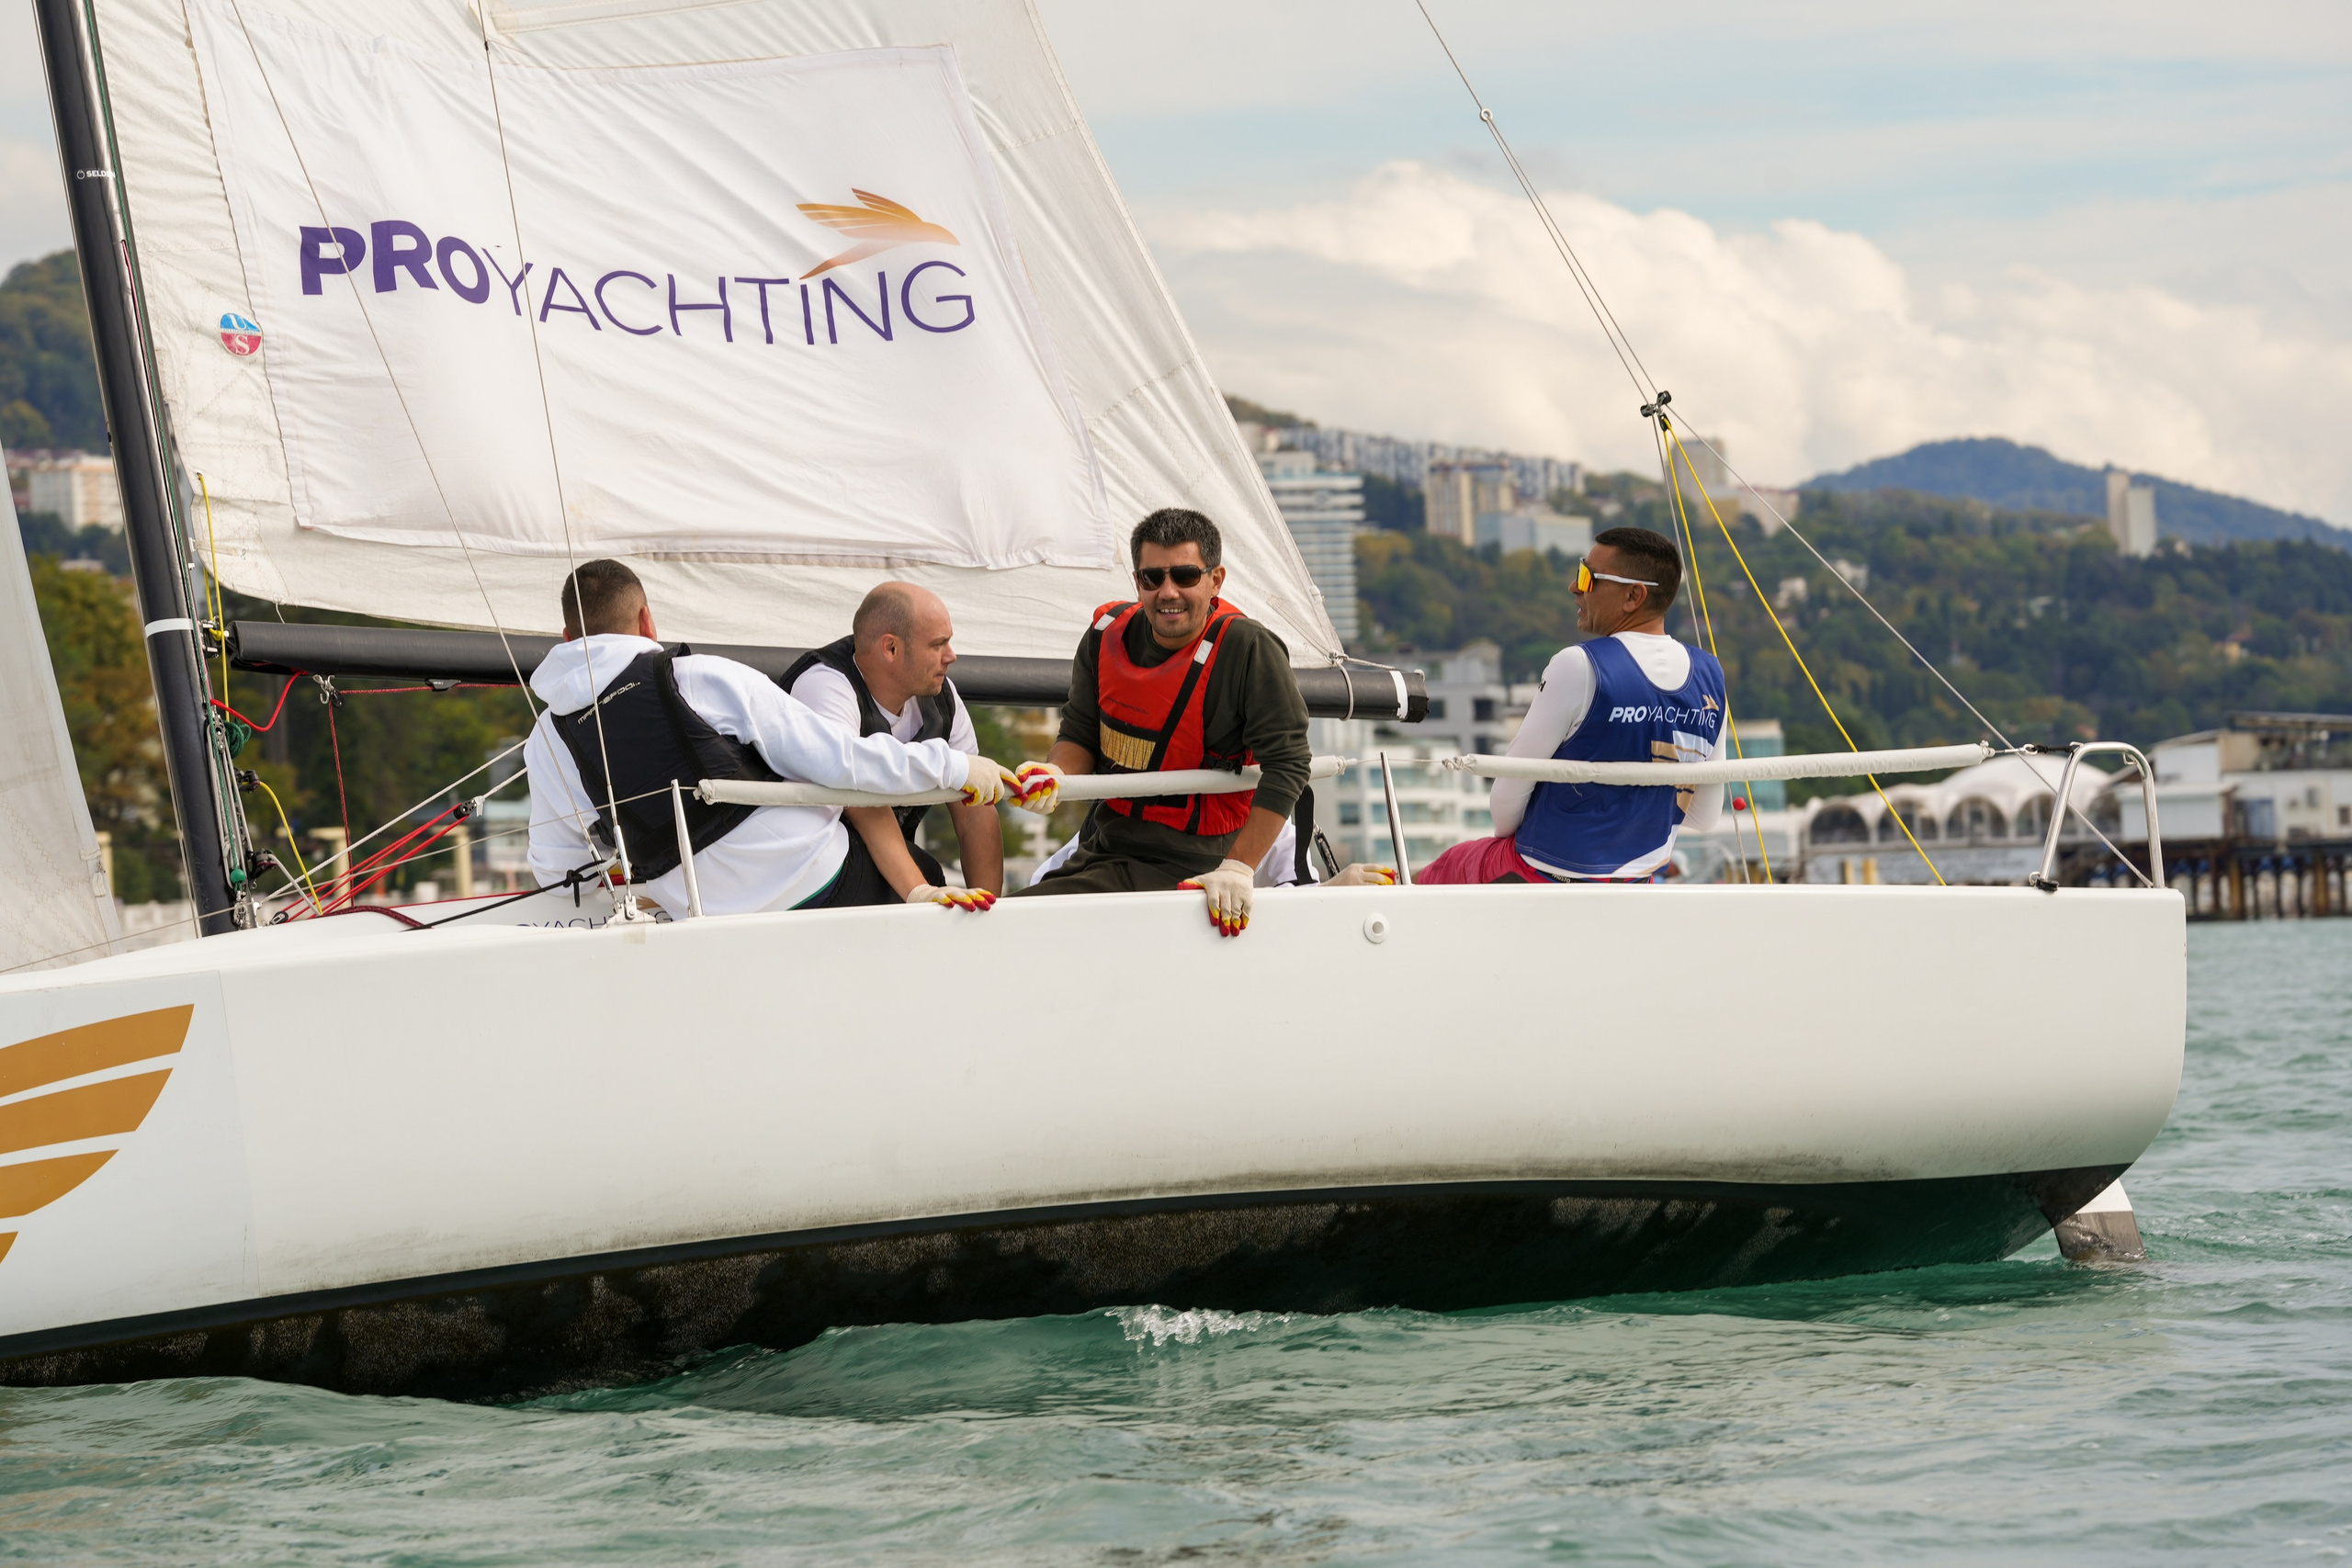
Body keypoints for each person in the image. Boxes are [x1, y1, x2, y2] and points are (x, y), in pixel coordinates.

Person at [524, 559, 1016, 915]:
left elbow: (555, 872)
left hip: (710, 919)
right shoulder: (698, 677)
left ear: (568, 639)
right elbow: (838, 762)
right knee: (927, 876)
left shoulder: (546, 740)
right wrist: (953, 767)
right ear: (647, 621)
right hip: (818, 880)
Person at [1008, 508, 1313, 936]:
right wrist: (1054, 773)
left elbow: (1290, 763)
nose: (1168, 592)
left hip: (1194, 863)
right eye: (1152, 579)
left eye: (1185, 576)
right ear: (1137, 582)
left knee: (1013, 927)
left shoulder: (1248, 649)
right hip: (1104, 849)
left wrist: (1238, 869)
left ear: (1215, 581)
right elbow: (1079, 733)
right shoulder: (1104, 635)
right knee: (1000, 923)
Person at [1418, 525, 1727, 885]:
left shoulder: (1578, 665)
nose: (1575, 587)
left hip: (1541, 873)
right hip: (1635, 884)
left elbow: (1504, 807)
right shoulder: (1712, 674)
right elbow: (1704, 817)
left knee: (1444, 869)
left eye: (1587, 576)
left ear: (1633, 596)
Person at [783, 581, 1002, 911]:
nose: (951, 656)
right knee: (927, 871)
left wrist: (991, 913)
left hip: (866, 867)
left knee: (934, 883)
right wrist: (919, 891)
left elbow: (975, 809)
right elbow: (857, 795)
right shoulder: (825, 685)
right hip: (799, 874)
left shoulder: (943, 697)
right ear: (891, 649)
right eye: (938, 644)